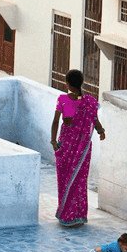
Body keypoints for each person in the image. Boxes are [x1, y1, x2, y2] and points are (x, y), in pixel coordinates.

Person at [50, 69, 105, 227]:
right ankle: (78, 216)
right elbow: (94, 120)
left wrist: (53, 142)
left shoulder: (63, 100)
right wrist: (101, 131)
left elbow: (55, 122)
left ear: (67, 83)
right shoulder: (90, 102)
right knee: (79, 181)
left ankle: (67, 216)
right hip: (83, 150)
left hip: (65, 148)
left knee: (65, 179)